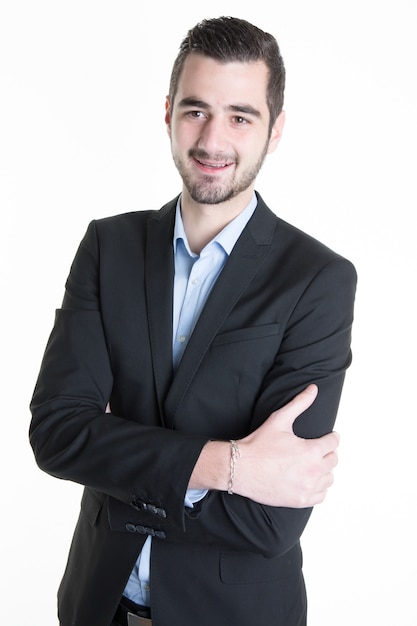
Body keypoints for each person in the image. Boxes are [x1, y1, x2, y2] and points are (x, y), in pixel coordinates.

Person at [29, 16, 356, 626]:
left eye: (240, 116)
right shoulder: (109, 248)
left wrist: (117, 464)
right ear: (168, 113)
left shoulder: (317, 280)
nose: (213, 139)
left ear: (275, 129)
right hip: (100, 605)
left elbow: (271, 518)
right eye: (196, 110)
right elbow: (56, 432)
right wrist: (231, 467)